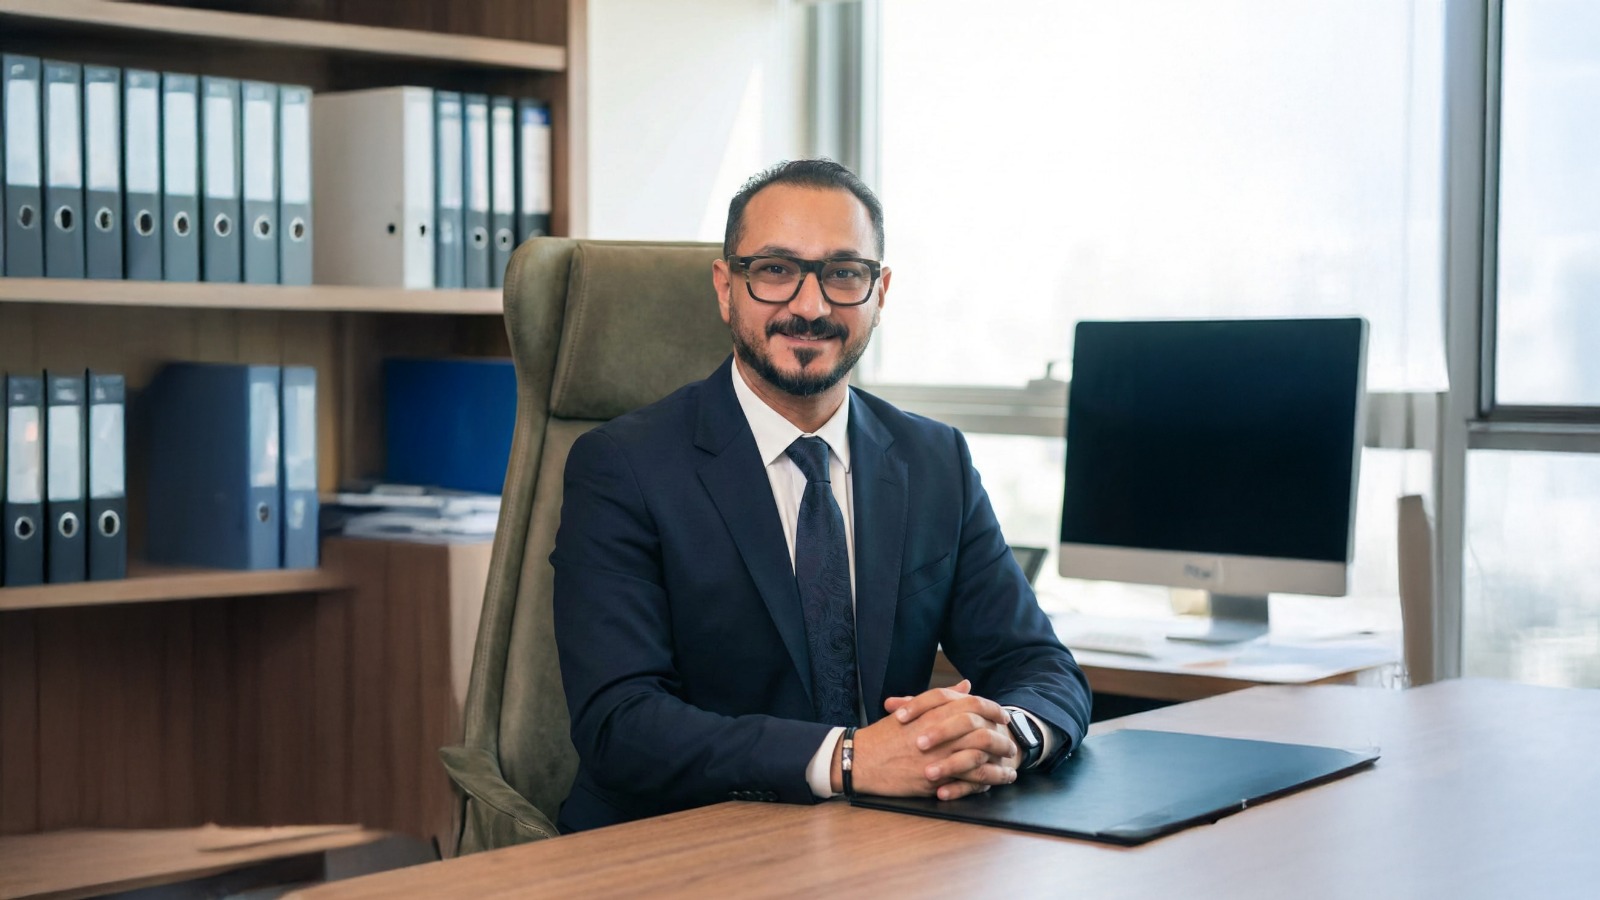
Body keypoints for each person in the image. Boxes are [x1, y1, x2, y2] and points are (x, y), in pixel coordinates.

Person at [551, 159, 1091, 832]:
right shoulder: (623, 466)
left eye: (844, 273)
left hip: (879, 840)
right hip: (684, 841)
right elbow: (620, 724)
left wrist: (1008, 734)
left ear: (879, 293)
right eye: (775, 269)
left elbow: (1037, 664)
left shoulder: (934, 461)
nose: (810, 307)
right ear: (726, 288)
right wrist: (848, 759)